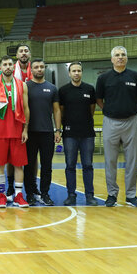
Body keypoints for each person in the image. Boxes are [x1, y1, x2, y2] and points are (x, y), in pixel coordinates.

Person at [96, 46, 137, 207]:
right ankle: (112, 194)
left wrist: (131, 111)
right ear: (112, 59)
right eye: (117, 55)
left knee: (132, 160)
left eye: (123, 55)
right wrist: (109, 111)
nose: (120, 57)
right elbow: (99, 100)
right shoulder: (103, 78)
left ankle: (131, 195)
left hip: (131, 121)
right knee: (110, 160)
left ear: (127, 58)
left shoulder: (136, 76)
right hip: (110, 122)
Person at [0, 56, 29, 208]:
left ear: (14, 67)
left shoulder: (22, 85)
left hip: (17, 131)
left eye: (10, 64)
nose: (7, 67)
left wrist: (25, 129)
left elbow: (26, 109)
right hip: (0, 132)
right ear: (0, 67)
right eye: (4, 64)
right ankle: (1, 195)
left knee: (19, 165)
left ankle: (19, 195)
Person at [59, 62, 98, 206]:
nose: (76, 73)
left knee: (88, 165)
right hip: (70, 134)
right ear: (69, 73)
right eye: (73, 71)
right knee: (70, 165)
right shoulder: (63, 91)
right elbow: (61, 111)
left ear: (82, 72)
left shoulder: (89, 89)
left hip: (87, 133)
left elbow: (92, 109)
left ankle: (90, 195)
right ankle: (71, 195)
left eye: (79, 71)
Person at [24, 59, 62, 206]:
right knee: (28, 165)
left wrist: (58, 130)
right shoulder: (25, 86)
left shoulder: (52, 88)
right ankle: (30, 194)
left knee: (47, 166)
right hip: (30, 133)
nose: (39, 69)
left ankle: (45, 193)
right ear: (31, 70)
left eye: (41, 67)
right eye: (36, 67)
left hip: (47, 132)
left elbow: (57, 110)